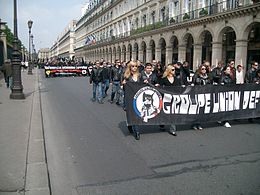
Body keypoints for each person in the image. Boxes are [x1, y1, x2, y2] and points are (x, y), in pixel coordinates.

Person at [122, 61, 143, 140]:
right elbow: (125, 89)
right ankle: (134, 129)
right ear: (130, 67)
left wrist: (145, 82)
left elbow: (141, 86)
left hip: (138, 97)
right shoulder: (126, 76)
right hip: (129, 97)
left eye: (136, 66)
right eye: (133, 66)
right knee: (131, 113)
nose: (134, 68)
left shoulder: (139, 75)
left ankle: (135, 128)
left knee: (136, 114)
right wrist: (124, 84)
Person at [159, 64, 181, 136]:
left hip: (174, 98)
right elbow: (160, 87)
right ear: (169, 70)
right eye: (173, 70)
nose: (174, 71)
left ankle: (172, 129)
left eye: (174, 70)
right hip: (165, 98)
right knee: (164, 112)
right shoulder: (164, 79)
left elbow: (179, 87)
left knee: (172, 114)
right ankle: (162, 122)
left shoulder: (177, 79)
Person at [191, 64, 211, 130]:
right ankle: (194, 123)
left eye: (205, 69)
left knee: (202, 109)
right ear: (200, 69)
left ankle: (199, 123)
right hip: (198, 94)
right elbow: (193, 84)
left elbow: (210, 84)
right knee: (197, 109)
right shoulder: (196, 76)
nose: (204, 70)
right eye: (202, 69)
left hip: (205, 94)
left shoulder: (208, 76)